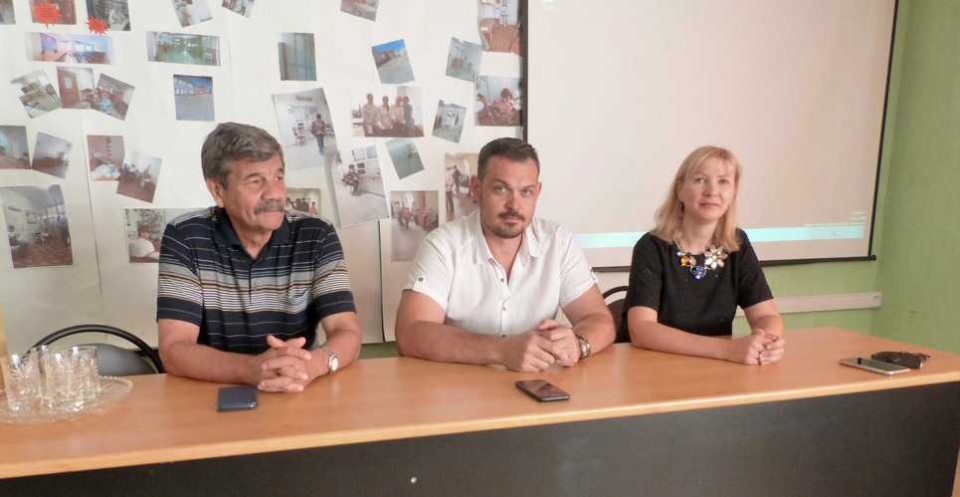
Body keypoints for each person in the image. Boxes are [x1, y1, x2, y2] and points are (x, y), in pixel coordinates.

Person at [156, 123, 362, 392]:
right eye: (255, 181)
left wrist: (314, 365)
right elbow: (174, 349)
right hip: (213, 392)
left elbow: (347, 331)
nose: (275, 193)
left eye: (278, 177)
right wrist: (252, 369)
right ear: (218, 191)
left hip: (296, 389)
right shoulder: (185, 236)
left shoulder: (316, 235)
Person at [395, 138, 615, 371]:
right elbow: (411, 333)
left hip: (537, 384)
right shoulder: (443, 245)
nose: (514, 205)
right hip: (459, 388)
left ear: (538, 192)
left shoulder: (558, 242)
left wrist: (578, 345)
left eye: (526, 192)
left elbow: (599, 320)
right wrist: (501, 350)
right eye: (501, 189)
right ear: (477, 189)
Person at [622, 146, 785, 365]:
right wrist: (727, 350)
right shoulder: (651, 246)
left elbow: (767, 316)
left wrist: (766, 342)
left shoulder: (738, 244)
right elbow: (642, 330)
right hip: (655, 368)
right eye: (700, 180)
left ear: (733, 192)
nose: (712, 191)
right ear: (680, 189)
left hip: (715, 369)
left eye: (723, 181)